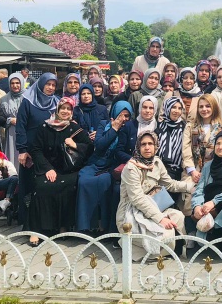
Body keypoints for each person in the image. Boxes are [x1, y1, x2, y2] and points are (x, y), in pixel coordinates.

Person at [27, 97, 92, 245]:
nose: (65, 111)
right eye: (63, 108)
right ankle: (36, 230)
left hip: (68, 169)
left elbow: (89, 148)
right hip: (47, 168)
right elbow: (36, 149)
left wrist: (75, 145)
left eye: (69, 109)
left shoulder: (75, 129)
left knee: (67, 186)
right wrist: (47, 168)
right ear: (57, 109)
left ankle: (63, 226)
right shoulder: (45, 127)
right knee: (42, 187)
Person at [117, 131, 192, 257]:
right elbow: (137, 199)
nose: (147, 147)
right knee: (165, 234)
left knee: (178, 216)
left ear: (156, 146)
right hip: (132, 212)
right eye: (143, 144)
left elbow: (170, 184)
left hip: (152, 207)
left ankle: (172, 250)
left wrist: (190, 187)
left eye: (150, 144)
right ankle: (134, 248)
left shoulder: (156, 162)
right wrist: (160, 218)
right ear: (138, 147)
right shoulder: (131, 168)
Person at [76, 101, 137, 234]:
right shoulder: (104, 124)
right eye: (121, 115)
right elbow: (99, 145)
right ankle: (85, 225)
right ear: (114, 114)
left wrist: (119, 129)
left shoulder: (127, 128)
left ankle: (102, 225)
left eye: (127, 116)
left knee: (104, 182)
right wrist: (113, 129)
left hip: (112, 164)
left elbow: (121, 152)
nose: (124, 119)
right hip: (96, 162)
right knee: (83, 180)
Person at [15, 73, 60, 225]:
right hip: (29, 151)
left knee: (45, 185)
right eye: (48, 84)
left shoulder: (57, 102)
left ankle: (47, 220)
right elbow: (20, 127)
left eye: (53, 85)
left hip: (49, 152)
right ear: (41, 84)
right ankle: (28, 221)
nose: (50, 88)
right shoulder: (27, 102)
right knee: (30, 186)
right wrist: (22, 150)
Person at [182, 94, 222, 185]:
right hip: (193, 171)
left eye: (208, 106)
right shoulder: (190, 127)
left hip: (214, 172)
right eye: (201, 107)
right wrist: (193, 171)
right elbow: (186, 151)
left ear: (214, 107)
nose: (204, 109)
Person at [155, 97, 189, 185]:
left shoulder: (185, 127)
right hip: (159, 171)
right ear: (167, 108)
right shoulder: (159, 127)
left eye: (179, 108)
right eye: (173, 107)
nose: (176, 111)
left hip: (178, 172)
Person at [0, 73, 26, 170]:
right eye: (12, 83)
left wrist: (22, 120)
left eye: (18, 83)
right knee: (12, 157)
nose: (15, 85)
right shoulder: (3, 99)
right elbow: (0, 118)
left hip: (25, 131)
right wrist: (9, 120)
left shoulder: (29, 97)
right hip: (10, 133)